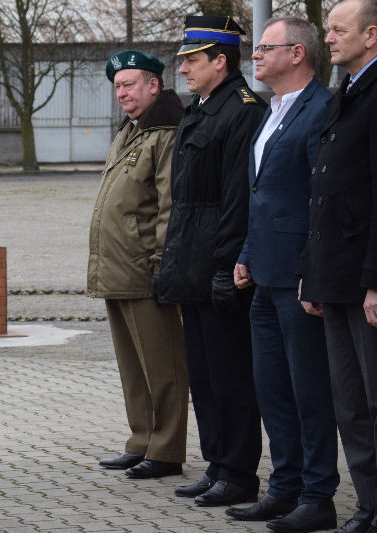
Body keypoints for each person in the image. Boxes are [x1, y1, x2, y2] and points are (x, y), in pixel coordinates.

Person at [228, 17, 339, 533]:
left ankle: (318, 495)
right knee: (271, 386)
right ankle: (284, 486)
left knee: (307, 389)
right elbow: (262, 194)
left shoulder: (320, 110)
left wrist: (309, 270)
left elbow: (321, 200)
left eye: (264, 48)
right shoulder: (271, 112)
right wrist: (247, 252)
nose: (254, 56)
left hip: (298, 278)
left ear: (297, 53)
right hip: (264, 275)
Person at [155, 15, 266, 506]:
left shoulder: (241, 111)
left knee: (231, 377)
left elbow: (235, 200)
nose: (184, 70)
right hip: (193, 266)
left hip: (219, 267)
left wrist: (225, 266)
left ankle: (239, 471)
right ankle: (216, 462)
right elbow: (184, 204)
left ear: (221, 61)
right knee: (203, 377)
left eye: (193, 61)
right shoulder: (201, 110)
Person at [88, 50, 189, 479]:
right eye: (117, 87)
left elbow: (168, 205)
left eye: (130, 85)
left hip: (146, 269)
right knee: (133, 366)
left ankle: (165, 450)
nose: (122, 94)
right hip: (118, 267)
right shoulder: (131, 131)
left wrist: (162, 264)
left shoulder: (165, 133)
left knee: (161, 365)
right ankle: (142, 439)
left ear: (154, 85)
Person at [298, 0, 377, 531]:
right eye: (326, 29)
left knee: (374, 401)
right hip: (337, 275)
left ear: (372, 35)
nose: (328, 38)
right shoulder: (345, 93)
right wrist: (313, 271)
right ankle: (369, 505)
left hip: (367, 279)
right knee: (349, 403)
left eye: (338, 30)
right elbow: (324, 192)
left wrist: (375, 281)